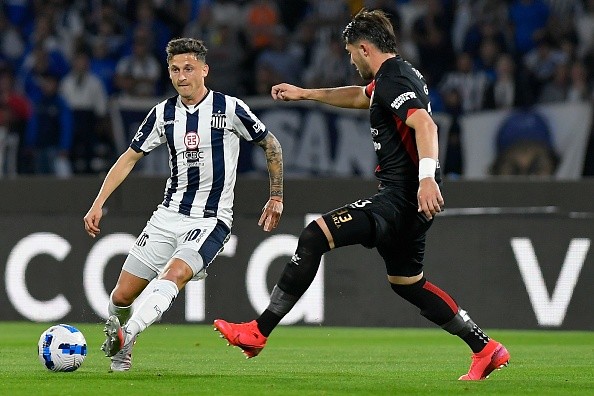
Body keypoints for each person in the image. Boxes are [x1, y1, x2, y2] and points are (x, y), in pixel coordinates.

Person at [214, 9, 510, 381]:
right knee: (408, 284)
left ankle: (258, 331)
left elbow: (425, 123)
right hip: (410, 202)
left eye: (352, 53)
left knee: (314, 235)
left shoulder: (392, 80)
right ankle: (485, 348)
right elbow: (361, 96)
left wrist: (426, 178)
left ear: (365, 48)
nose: (351, 61)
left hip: (402, 197)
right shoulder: (397, 75)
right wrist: (307, 93)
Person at [83, 37, 284, 372]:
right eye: (175, 69)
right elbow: (129, 158)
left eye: (189, 68)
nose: (181, 76)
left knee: (174, 274)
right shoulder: (163, 114)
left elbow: (271, 144)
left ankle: (126, 336)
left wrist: (276, 195)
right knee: (121, 297)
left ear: (205, 70)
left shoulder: (229, 108)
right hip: (167, 215)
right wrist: (98, 203)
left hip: (210, 220)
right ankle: (122, 340)